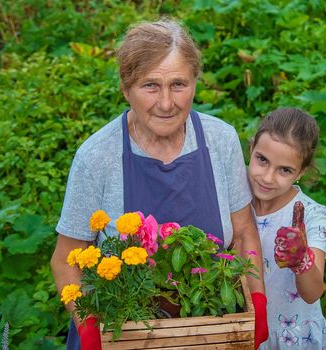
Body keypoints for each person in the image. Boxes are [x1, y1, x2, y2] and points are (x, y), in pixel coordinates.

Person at [50, 19, 268, 350]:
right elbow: (66, 258)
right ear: (126, 89)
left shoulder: (220, 140)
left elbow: (243, 233)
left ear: (195, 83)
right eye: (150, 85)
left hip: (209, 333)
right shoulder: (98, 156)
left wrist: (257, 302)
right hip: (123, 336)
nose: (166, 103)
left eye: (178, 84)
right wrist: (89, 329)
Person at [248, 108, 326, 349]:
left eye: (284, 170)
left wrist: (300, 260)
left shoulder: (313, 215)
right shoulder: (235, 198)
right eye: (262, 160)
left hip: (294, 337)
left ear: (302, 171)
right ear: (252, 147)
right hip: (246, 329)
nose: (267, 177)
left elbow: (313, 292)